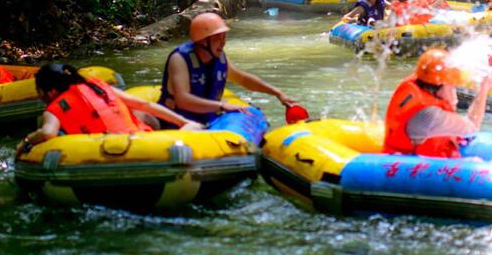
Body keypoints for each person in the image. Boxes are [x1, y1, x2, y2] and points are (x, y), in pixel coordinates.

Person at [17, 63, 202, 151]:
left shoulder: (54, 108)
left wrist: (26, 142)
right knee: (140, 113)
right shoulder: (99, 87)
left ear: (50, 92)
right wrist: (183, 121)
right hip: (146, 143)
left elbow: (48, 132)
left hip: (109, 153)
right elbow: (144, 104)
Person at [158, 13, 297, 126]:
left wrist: (278, 93)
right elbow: (183, 100)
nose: (223, 43)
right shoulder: (180, 59)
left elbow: (242, 79)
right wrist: (222, 106)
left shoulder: (219, 58)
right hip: (177, 122)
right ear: (203, 41)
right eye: (217, 38)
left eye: (224, 37)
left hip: (208, 120)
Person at [383, 48, 492, 157]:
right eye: (452, 86)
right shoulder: (431, 115)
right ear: (440, 86)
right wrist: (484, 88)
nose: (454, 91)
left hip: (401, 149)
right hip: (408, 168)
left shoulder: (419, 81)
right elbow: (472, 128)